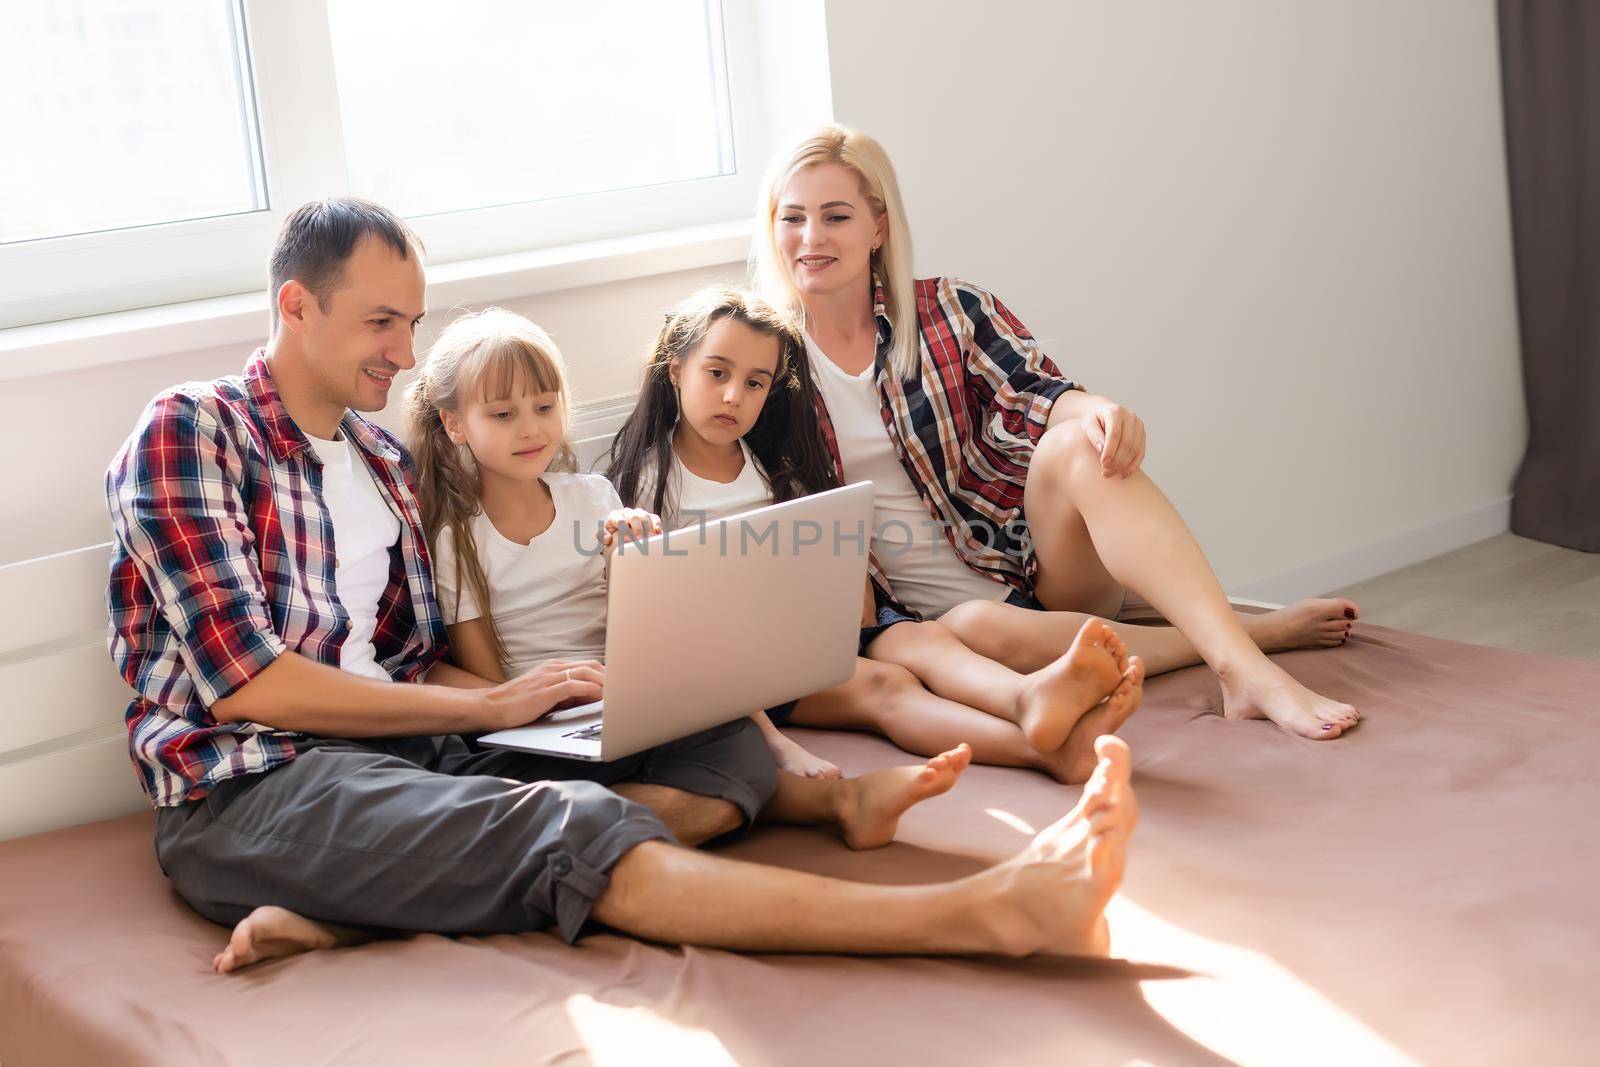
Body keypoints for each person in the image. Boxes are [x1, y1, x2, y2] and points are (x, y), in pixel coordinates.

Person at [104, 196, 1138, 974]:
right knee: (576, 824)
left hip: (414, 747)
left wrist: (544, 691)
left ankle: (344, 907)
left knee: (717, 742)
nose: (405, 354)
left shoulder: (379, 461)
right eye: (383, 324)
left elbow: (405, 652)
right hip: (252, 784)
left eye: (413, 323)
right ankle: (982, 911)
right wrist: (494, 699)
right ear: (295, 304)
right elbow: (250, 684)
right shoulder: (191, 430)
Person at [752, 125, 1363, 740]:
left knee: (1079, 444)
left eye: (836, 216)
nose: (812, 238)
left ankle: (1245, 671)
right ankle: (1250, 633)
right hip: (929, 629)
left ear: (878, 227)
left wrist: (1098, 409)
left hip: (1033, 568)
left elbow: (1041, 392)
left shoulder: (949, 311)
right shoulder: (763, 362)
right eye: (793, 218)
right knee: (977, 626)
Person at [405, 302, 975, 850]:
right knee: (714, 763)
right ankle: (826, 802)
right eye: (503, 415)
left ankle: (802, 786)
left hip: (631, 695)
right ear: (454, 424)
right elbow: (491, 688)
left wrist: (633, 560)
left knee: (731, 734)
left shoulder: (593, 497)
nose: (530, 430)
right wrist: (544, 706)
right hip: (544, 719)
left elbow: (648, 624)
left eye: (545, 407)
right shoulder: (457, 535)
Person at [608, 284, 1143, 786]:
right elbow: (653, 610)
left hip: (803, 639)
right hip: (730, 667)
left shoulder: (775, 471)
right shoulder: (647, 483)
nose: (733, 397)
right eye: (716, 374)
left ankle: (1026, 697)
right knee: (887, 689)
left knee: (924, 637)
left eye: (754, 383)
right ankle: (1046, 752)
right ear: (675, 370)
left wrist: (853, 596)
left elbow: (834, 561)